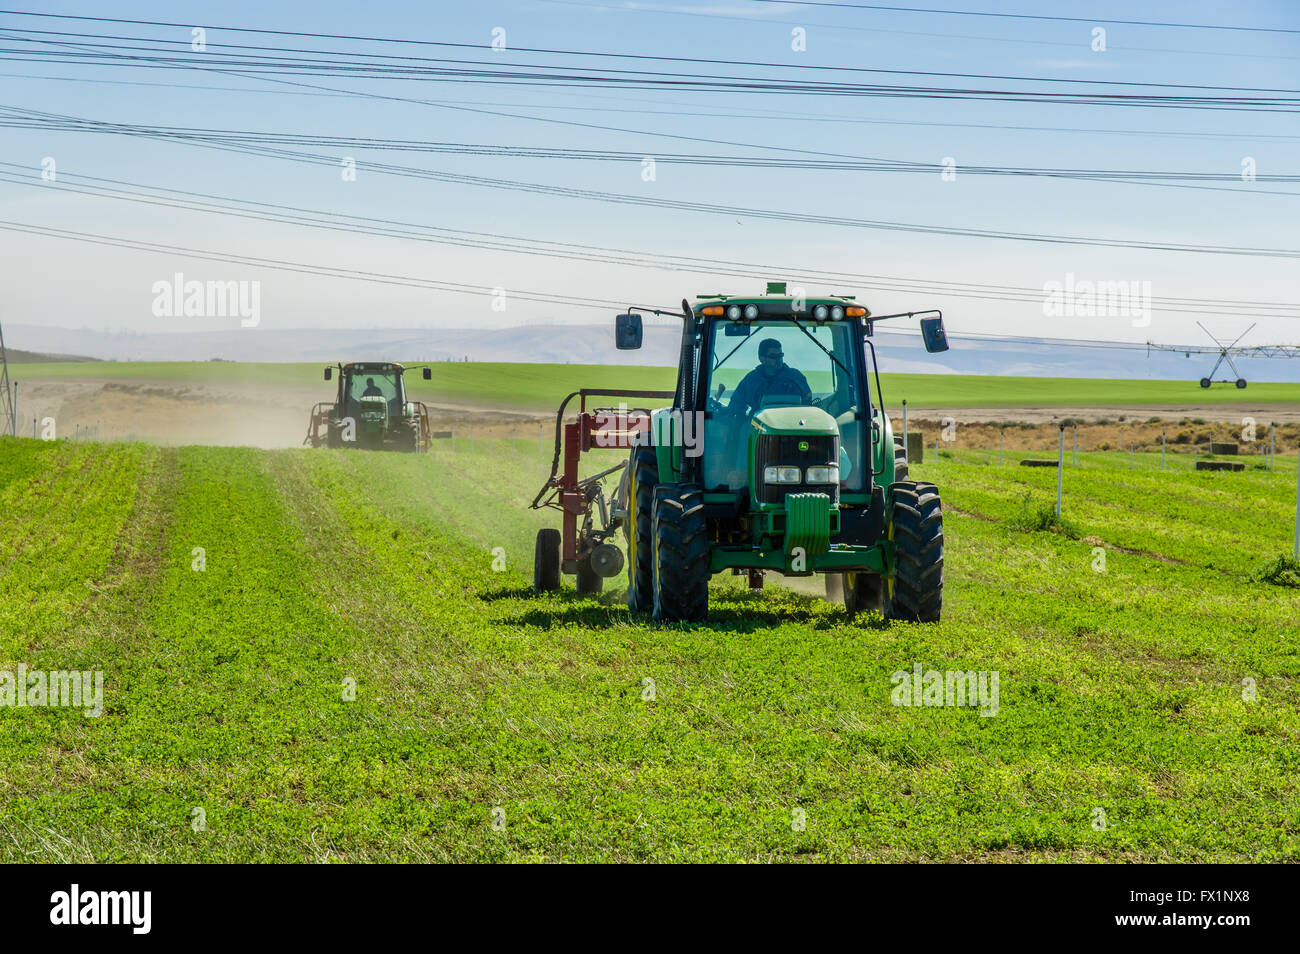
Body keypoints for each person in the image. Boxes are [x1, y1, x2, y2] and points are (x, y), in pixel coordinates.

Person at [724, 338, 812, 417]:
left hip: (793, 427)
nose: (779, 359)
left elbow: (808, 403)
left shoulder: (796, 377)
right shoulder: (751, 380)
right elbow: (736, 406)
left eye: (780, 355)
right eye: (773, 356)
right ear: (762, 359)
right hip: (758, 430)